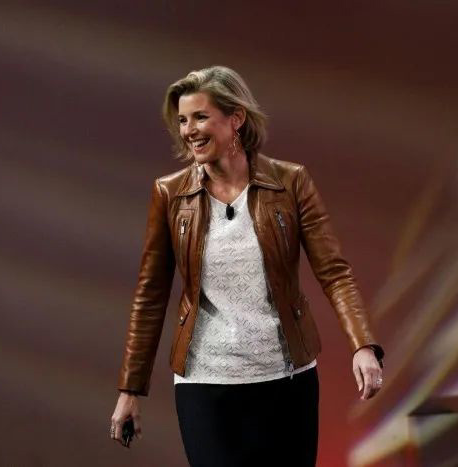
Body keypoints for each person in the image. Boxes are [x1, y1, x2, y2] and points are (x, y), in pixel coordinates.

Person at [109, 65, 384, 467]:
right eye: (183, 120)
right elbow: (150, 295)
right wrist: (129, 390)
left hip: (286, 381)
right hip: (206, 384)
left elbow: (334, 272)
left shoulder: (290, 182)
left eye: (200, 117)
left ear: (236, 118)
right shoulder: (170, 194)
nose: (188, 130)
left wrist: (362, 345)